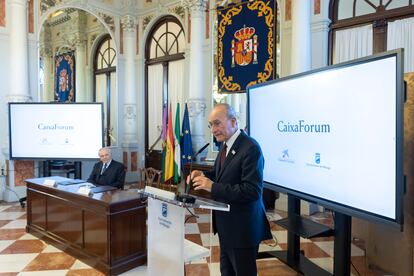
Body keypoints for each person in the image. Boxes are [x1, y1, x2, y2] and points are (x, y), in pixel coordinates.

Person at [188, 103, 272, 276]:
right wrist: (202, 174)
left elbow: (251, 191)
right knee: (227, 272)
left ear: (233, 122)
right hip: (227, 227)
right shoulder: (226, 145)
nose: (213, 129)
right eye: (211, 125)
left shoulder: (251, 148)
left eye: (217, 123)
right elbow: (222, 174)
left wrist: (212, 186)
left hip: (242, 229)